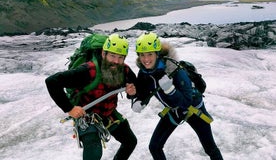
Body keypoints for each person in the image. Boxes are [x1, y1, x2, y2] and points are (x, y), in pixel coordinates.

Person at [132, 32, 223, 160]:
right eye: (142, 55)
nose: (146, 59)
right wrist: (138, 101)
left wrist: (170, 90)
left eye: (150, 54)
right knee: (154, 147)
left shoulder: (174, 70)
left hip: (194, 110)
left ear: (157, 54)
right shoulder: (144, 73)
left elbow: (186, 102)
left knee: (210, 148)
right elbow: (143, 92)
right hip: (173, 110)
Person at [45, 33, 137, 160]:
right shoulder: (87, 71)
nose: (116, 61)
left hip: (108, 113)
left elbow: (135, 90)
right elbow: (52, 81)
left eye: (121, 57)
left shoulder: (124, 71)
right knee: (94, 150)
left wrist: (132, 93)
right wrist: (70, 109)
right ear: (104, 54)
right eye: (112, 56)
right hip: (86, 114)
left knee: (130, 142)